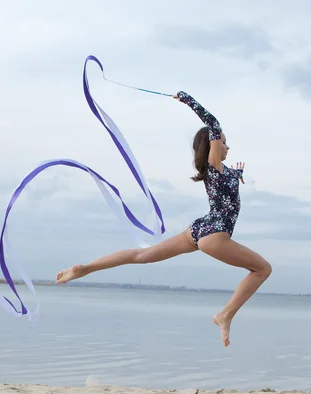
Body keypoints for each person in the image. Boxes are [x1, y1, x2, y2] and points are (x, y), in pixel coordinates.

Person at [55, 90, 272, 347]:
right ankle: (225, 315)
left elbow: (229, 181)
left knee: (141, 256)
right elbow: (212, 123)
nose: (227, 146)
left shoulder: (222, 172)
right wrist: (187, 99)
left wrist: (238, 174)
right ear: (212, 145)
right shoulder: (214, 166)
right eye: (223, 142)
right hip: (215, 233)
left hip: (200, 229)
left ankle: (85, 268)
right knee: (262, 269)